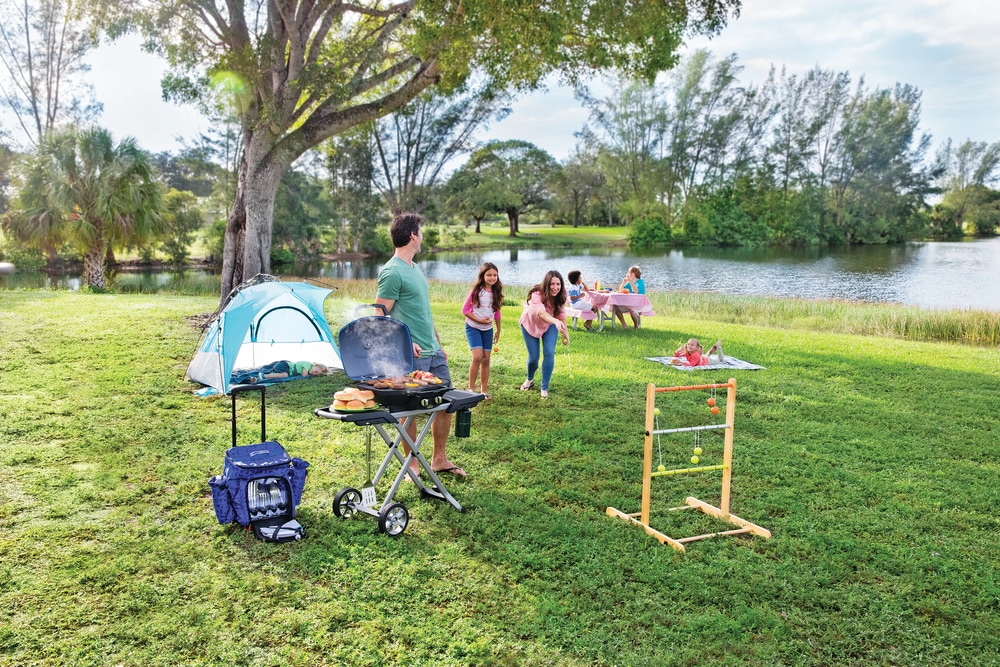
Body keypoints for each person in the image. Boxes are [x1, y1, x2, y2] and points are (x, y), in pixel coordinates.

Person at [375, 212, 466, 479]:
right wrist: (406, 341)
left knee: (446, 403)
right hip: (410, 355)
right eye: (421, 231)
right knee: (409, 412)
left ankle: (439, 458)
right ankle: (411, 464)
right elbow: (380, 317)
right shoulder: (392, 272)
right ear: (412, 235)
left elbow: (422, 311)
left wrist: (438, 344)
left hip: (433, 352)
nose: (422, 236)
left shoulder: (415, 267)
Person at [518, 270, 570, 399]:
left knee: (549, 352)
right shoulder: (537, 295)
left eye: (558, 284)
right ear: (546, 284)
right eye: (552, 284)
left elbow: (562, 315)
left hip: (550, 325)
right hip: (530, 324)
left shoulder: (562, 294)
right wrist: (555, 321)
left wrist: (565, 333)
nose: (555, 287)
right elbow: (541, 313)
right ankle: (529, 380)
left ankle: (544, 388)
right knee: (534, 357)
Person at [463, 262, 504, 398]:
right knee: (477, 357)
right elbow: (465, 310)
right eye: (489, 275)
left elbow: (497, 313)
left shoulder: (496, 292)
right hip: (473, 327)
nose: (492, 278)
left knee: (486, 359)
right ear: (483, 275)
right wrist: (480, 321)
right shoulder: (476, 291)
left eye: (495, 275)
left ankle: (483, 391)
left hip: (488, 329)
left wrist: (498, 330)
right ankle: (471, 389)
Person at [231, 361, 330, 384]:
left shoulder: (311, 368)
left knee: (282, 375)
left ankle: (261, 377)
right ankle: (263, 375)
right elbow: (304, 375)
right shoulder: (307, 365)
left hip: (284, 367)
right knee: (285, 375)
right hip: (284, 365)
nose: (314, 373)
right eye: (315, 371)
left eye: (317, 374)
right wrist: (310, 376)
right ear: (314, 364)